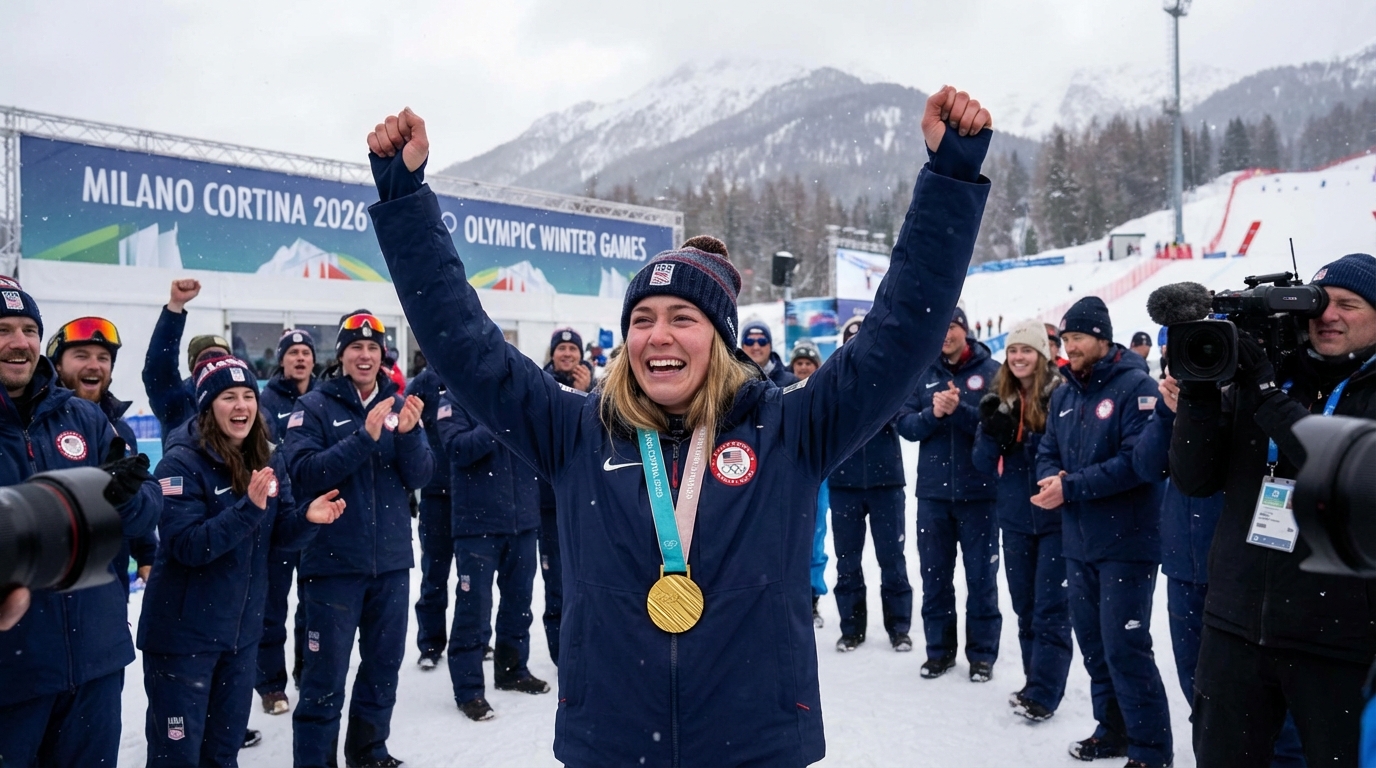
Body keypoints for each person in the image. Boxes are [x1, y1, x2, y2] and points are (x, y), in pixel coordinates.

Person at [363, 89, 990, 765]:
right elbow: (465, 345)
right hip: (611, 741)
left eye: (682, 318)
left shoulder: (787, 430)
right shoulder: (577, 431)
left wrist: (949, 180)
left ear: (718, 340)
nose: (657, 335)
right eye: (642, 319)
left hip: (755, 743)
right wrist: (405, 202)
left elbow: (898, 335)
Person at [1172, 253, 1376, 766]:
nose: (1329, 316)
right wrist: (1200, 394)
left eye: (1349, 306)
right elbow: (1194, 479)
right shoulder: (1278, 374)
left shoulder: (1273, 385)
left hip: (1339, 641)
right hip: (1236, 625)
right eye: (1321, 303)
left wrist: (1263, 393)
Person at [139, 355, 345, 767]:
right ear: (207, 407)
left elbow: (280, 533)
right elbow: (186, 545)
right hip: (184, 641)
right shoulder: (179, 463)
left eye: (248, 395)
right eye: (228, 397)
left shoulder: (267, 459)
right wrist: (248, 509)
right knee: (177, 755)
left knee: (222, 752)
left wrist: (306, 518)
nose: (241, 406)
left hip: (239, 636)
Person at [0, 278, 163, 768]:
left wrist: (127, 498)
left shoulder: (85, 419)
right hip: (12, 676)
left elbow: (148, 509)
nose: (18, 341)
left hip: (95, 661)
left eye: (28, 328)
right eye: (3, 329)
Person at [283, 310, 433, 768]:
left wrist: (408, 436)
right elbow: (304, 471)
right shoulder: (314, 407)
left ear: (383, 356)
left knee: (383, 670)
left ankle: (369, 751)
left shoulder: (398, 402)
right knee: (324, 678)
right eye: (356, 348)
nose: (365, 355)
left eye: (373, 348)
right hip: (332, 565)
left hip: (389, 563)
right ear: (342, 356)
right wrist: (363, 439)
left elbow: (422, 474)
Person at [1135, 376, 1306, 766]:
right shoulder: (1183, 399)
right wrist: (1172, 413)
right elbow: (1146, 465)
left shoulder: (1260, 393)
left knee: (1277, 717)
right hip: (1185, 565)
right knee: (1202, 700)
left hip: (1244, 570)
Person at [1033, 296, 1171, 767]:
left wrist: (1070, 487)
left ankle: (1151, 750)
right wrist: (1052, 477)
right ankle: (1112, 730)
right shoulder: (1065, 393)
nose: (1070, 347)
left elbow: (1138, 464)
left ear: (1102, 338)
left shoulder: (1136, 386)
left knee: (1126, 646)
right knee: (1094, 646)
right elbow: (1047, 450)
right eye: (1066, 338)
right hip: (1079, 541)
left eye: (1078, 338)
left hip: (1127, 542)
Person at [972, 320, 1071, 722]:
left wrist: (1030, 439)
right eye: (1013, 351)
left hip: (1055, 519)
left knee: (1051, 609)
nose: (1018, 358)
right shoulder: (1000, 399)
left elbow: (1066, 451)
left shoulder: (1061, 395)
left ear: (1041, 356)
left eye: (1026, 351)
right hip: (1014, 518)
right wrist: (992, 432)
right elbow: (981, 462)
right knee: (1025, 606)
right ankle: (1035, 682)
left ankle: (1045, 693)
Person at [896, 306, 1002, 682]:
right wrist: (933, 416)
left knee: (981, 579)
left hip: (980, 495)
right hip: (933, 496)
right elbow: (905, 425)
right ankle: (939, 652)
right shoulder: (923, 374)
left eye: (952, 326)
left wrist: (958, 411)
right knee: (935, 578)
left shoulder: (992, 373)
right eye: (940, 327)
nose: (946, 334)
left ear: (965, 330)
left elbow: (997, 425)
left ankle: (983, 655)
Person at [437, 393, 549, 721]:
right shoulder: (455, 400)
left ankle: (513, 669)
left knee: (519, 603)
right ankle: (469, 689)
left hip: (523, 521)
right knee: (474, 609)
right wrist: (499, 421)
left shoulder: (520, 396)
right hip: (477, 525)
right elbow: (458, 450)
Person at [47, 316, 158, 594]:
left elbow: (132, 491)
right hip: (48, 588)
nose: (94, 365)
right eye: (81, 355)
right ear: (57, 364)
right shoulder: (37, 425)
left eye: (103, 358)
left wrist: (146, 553)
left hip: (109, 589)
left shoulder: (120, 431)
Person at [829, 318, 913, 652]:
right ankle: (851, 628)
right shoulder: (833, 379)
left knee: (892, 558)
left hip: (886, 483)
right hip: (844, 484)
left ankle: (899, 627)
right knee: (846, 559)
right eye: (851, 340)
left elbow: (907, 418)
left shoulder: (893, 377)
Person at [255, 328, 319, 715]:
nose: (300, 359)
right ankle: (270, 684)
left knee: (312, 603)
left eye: (305, 353)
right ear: (281, 360)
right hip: (280, 516)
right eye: (292, 353)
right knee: (272, 605)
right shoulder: (265, 402)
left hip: (312, 515)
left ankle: (306, 670)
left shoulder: (322, 397)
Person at [404, 361, 459, 672]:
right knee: (434, 574)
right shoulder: (424, 383)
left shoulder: (471, 372)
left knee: (474, 581)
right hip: (436, 495)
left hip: (473, 495)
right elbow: (408, 429)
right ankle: (430, 643)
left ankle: (475, 637)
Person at [143, 278, 232, 444]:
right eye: (206, 359)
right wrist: (175, 307)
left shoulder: (243, 401)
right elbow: (159, 367)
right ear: (193, 368)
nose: (214, 365)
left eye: (221, 359)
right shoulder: (177, 401)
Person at [787, 336, 829, 628]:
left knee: (815, 536)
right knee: (790, 537)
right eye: (799, 363)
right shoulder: (783, 392)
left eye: (808, 363)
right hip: (789, 474)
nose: (803, 368)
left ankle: (813, 597)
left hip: (820, 474)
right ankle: (792, 595)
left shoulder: (826, 392)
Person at [740, 319, 799, 388]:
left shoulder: (790, 382)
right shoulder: (732, 381)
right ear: (742, 346)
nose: (756, 347)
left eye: (762, 341)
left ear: (770, 346)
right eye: (749, 341)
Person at [545, 328, 594, 393]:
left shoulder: (597, 388)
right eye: (561, 348)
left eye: (572, 349)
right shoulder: (542, 383)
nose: (567, 354)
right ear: (552, 355)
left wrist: (585, 392)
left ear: (580, 356)